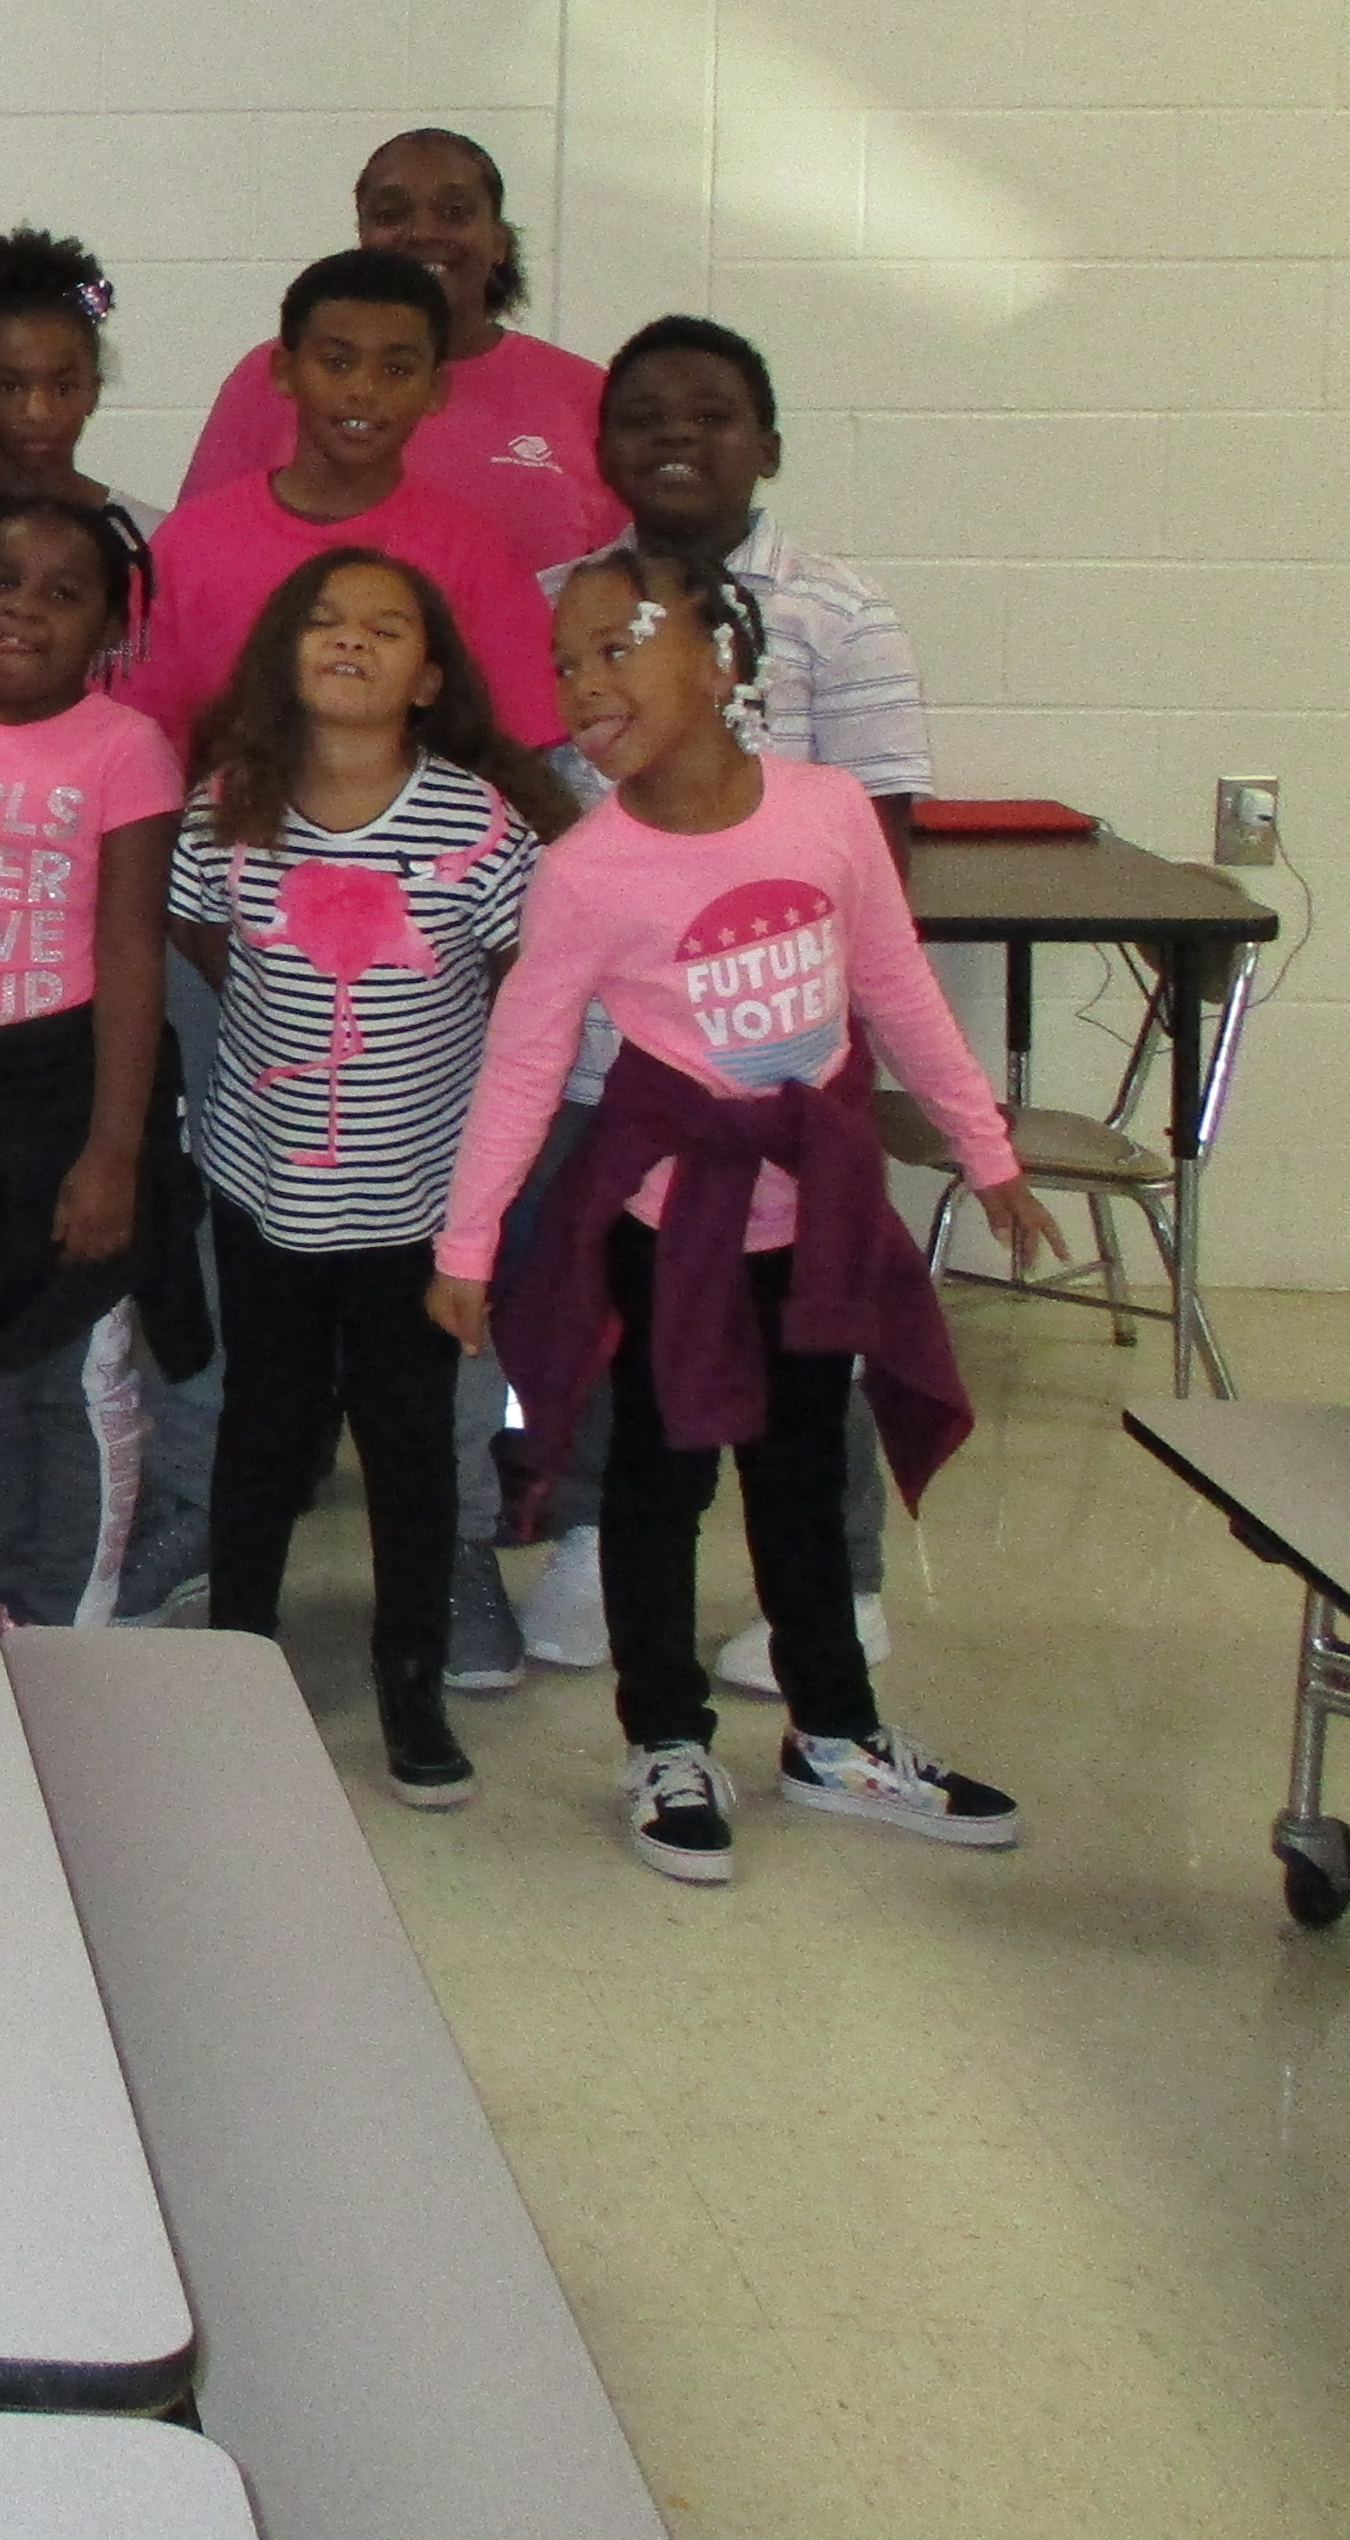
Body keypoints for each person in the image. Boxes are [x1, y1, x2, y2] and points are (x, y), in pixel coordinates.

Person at [437, 541, 1051, 1886]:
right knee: (659, 1486)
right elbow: (525, 1060)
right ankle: (664, 1739)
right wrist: (468, 1243)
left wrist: (983, 1148)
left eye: (617, 647)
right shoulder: (586, 870)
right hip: (673, 1231)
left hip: (811, 1220)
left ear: (719, 660)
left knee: (801, 1473)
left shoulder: (824, 812)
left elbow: (893, 984)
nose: (583, 684)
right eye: (565, 663)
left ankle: (835, 1735)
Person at [504, 311, 941, 1699]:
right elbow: (530, 796)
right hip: (611, 1057)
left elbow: (880, 843)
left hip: (778, 1061)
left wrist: (823, 1039)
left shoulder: (840, 609)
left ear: (768, 445)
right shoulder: (560, 600)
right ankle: (594, 1536)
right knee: (615, 1310)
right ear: (601, 448)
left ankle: (839, 1579)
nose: (676, 438)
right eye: (642, 417)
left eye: (711, 415)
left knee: (809, 1318)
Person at [171, 553, 558, 1810]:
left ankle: (410, 1673)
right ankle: (239, 1653)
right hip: (263, 1191)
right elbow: (202, 935)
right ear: (283, 655)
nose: (351, 640)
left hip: (415, 1211)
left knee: (408, 1439)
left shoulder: (477, 826)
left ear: (428, 678)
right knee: (261, 1424)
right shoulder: (228, 810)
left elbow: (528, 978)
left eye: (386, 628)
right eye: (326, 622)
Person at [0, 494, 192, 1627]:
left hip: (71, 1088)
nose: (24, 610)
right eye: (3, 581)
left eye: (64, 595)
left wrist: (113, 1153)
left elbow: (133, 953)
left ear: (108, 628)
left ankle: (75, 1619)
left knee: (75, 1377)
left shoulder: (126, 750)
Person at [126, 253, 562, 766]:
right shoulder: (188, 543)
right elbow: (136, 742)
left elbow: (526, 745)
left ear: (436, 389)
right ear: (284, 372)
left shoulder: (476, 553)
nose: (363, 390)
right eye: (336, 362)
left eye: (397, 369)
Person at [179, 128, 611, 568]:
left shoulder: (589, 395)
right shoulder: (277, 374)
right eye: (391, 214)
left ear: (498, 241)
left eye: (455, 212)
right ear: (363, 235)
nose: (422, 232)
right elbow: (195, 556)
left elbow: (631, 576)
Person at [0, 225, 128, 573]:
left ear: (93, 390)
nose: (38, 412)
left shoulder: (141, 537)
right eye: (11, 387)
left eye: (63, 388)